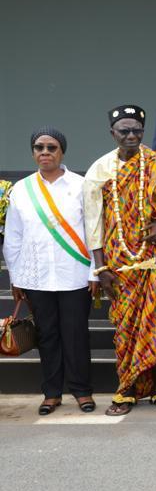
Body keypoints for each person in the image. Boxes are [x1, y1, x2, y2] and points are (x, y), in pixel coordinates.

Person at [84, 106, 156, 415]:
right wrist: (101, 267)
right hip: (119, 260)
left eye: (137, 131)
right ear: (112, 133)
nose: (131, 136)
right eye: (124, 131)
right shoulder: (100, 169)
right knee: (127, 326)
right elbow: (94, 222)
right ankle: (127, 389)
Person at [3, 128, 95, 415]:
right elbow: (14, 237)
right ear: (32, 153)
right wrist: (16, 278)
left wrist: (95, 271)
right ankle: (52, 393)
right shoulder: (21, 189)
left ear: (62, 152)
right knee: (47, 335)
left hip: (75, 274)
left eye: (51, 147)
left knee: (76, 334)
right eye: (39, 147)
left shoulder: (81, 185)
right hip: (36, 276)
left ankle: (82, 391)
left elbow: (94, 231)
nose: (45, 152)